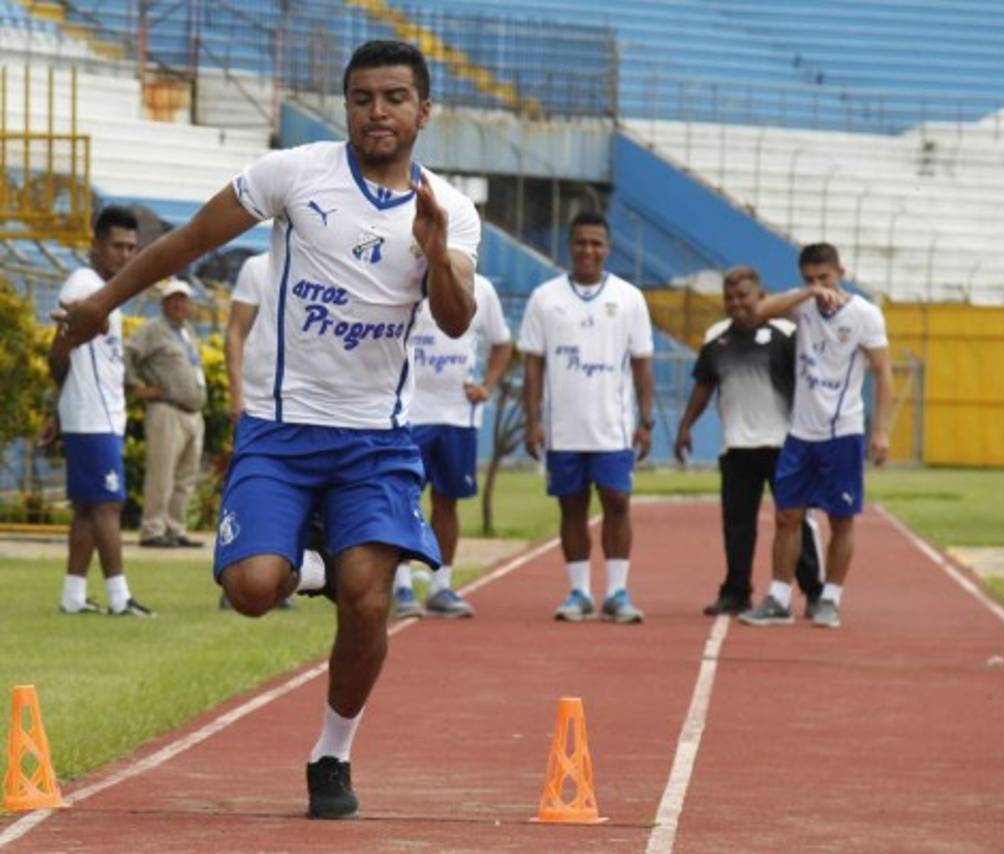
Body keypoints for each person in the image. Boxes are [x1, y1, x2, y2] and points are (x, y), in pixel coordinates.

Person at [55, 40, 480, 818]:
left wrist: (435, 250)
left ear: (424, 110)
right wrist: (101, 304)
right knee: (251, 590)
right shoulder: (294, 173)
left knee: (368, 602)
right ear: (345, 106)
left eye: (394, 98)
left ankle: (332, 753)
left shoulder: (449, 210)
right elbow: (188, 241)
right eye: (362, 98)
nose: (377, 112)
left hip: (375, 442)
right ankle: (319, 561)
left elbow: (455, 320)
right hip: (281, 433)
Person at [738, 242, 892, 628]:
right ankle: (778, 598)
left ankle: (830, 599)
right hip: (800, 432)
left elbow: (883, 372)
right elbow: (759, 311)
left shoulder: (865, 315)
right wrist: (807, 293)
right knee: (787, 515)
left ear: (841, 273)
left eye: (824, 277)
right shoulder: (803, 305)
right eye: (810, 278)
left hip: (842, 432)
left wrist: (881, 431)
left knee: (841, 519)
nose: (819, 285)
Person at [519, 210, 654, 624]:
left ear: (608, 248)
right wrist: (532, 421)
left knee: (617, 502)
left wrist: (646, 422)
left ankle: (616, 591)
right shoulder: (545, 297)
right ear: (569, 246)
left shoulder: (629, 298)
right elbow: (533, 365)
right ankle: (578, 591)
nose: (588, 250)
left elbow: (642, 364)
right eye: (581, 242)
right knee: (571, 507)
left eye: (596, 243)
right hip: (563, 428)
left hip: (613, 427)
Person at [674, 265, 824, 617]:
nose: (736, 303)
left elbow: (809, 385)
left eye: (743, 296)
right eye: (729, 298)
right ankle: (736, 591)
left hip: (785, 444)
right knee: (737, 525)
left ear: (761, 296)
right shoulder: (716, 336)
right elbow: (704, 385)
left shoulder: (787, 333)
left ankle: (814, 592)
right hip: (736, 446)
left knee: (796, 522)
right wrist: (685, 426)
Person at [46, 205, 154, 618]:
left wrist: (58, 410)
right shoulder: (84, 284)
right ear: (96, 245)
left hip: (98, 413)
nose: (126, 255)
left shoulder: (108, 291)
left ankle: (73, 595)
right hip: (92, 415)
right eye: (118, 246)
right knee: (108, 505)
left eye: (131, 248)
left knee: (89, 508)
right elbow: (58, 352)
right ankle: (119, 597)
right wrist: (60, 406)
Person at [392, 272, 512, 619]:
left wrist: (487, 386)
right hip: (408, 414)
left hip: (458, 415)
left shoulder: (482, 288)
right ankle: (401, 586)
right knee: (401, 499)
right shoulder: (404, 278)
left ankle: (440, 586)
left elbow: (502, 343)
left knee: (447, 503)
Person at [218, 250, 295, 612]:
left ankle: (284, 578)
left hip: (306, 409)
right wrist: (238, 396)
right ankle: (233, 574)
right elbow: (235, 333)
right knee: (248, 491)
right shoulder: (258, 266)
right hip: (260, 406)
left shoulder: (332, 261)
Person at [125, 278, 207, 548]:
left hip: (192, 412)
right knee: (161, 473)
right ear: (164, 303)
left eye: (184, 299)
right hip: (167, 409)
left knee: (185, 477)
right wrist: (137, 387)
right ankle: (152, 529)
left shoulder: (187, 332)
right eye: (175, 299)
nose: (181, 304)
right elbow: (127, 352)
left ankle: (175, 528)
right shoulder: (153, 329)